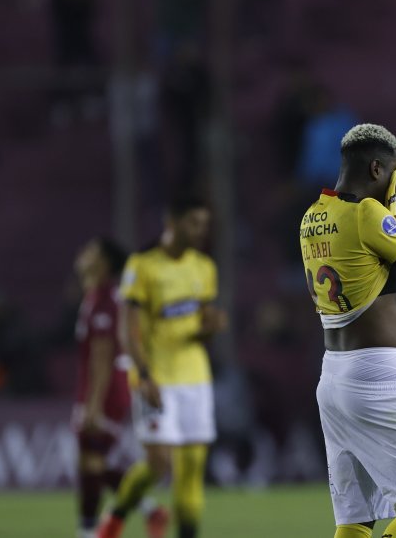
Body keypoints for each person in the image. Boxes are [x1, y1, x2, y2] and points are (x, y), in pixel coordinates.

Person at [299, 123, 396, 538]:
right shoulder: (368, 214)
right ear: (376, 169)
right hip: (379, 377)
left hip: (333, 378)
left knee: (357, 517)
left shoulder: (312, 216)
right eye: (393, 173)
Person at [98, 198, 227, 538]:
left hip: (195, 377)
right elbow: (128, 330)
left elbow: (199, 326)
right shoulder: (143, 266)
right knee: (158, 464)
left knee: (192, 468)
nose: (200, 231)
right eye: (194, 223)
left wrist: (211, 327)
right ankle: (115, 518)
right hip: (156, 377)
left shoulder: (204, 267)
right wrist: (143, 375)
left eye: (204, 224)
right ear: (172, 221)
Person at [72, 237, 169, 538]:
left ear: (104, 263)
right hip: (104, 386)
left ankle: (88, 531)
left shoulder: (103, 300)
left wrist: (94, 403)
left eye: (91, 252)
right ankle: (150, 510)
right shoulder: (97, 296)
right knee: (93, 462)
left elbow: (102, 356)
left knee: (92, 460)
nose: (83, 255)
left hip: (105, 389)